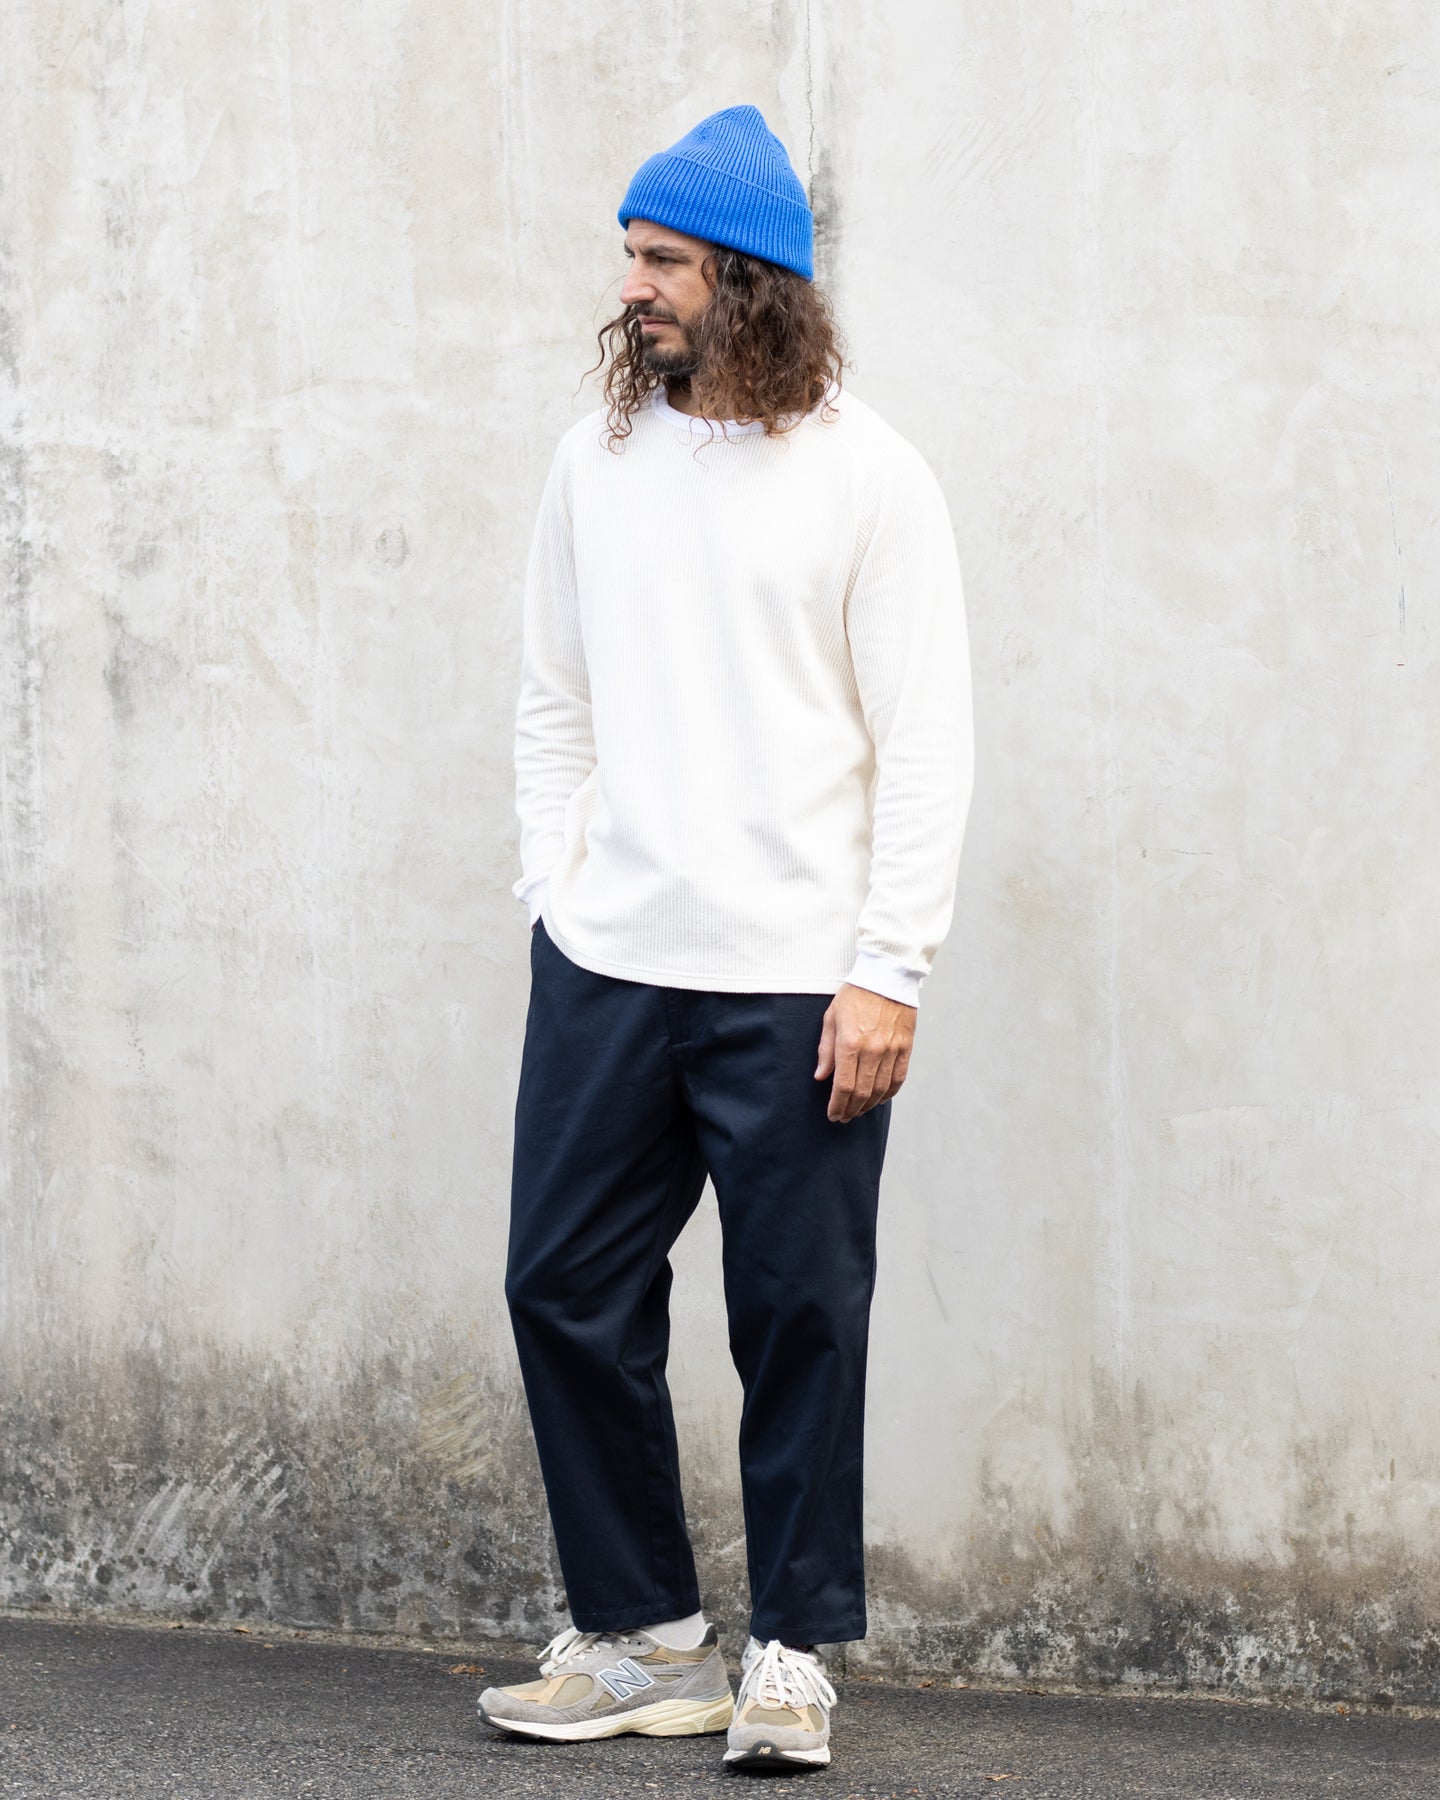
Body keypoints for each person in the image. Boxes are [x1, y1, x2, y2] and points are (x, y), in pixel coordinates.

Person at [477, 102, 975, 1773]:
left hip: (796, 983)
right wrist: (554, 893)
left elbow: (927, 742)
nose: (632, 287)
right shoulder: (595, 459)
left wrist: (888, 968)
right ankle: (644, 1638)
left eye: (666, 261)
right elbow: (553, 698)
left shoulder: (870, 475)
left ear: (750, 281)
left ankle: (788, 1653)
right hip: (610, 961)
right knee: (563, 1286)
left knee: (799, 1316)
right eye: (630, 256)